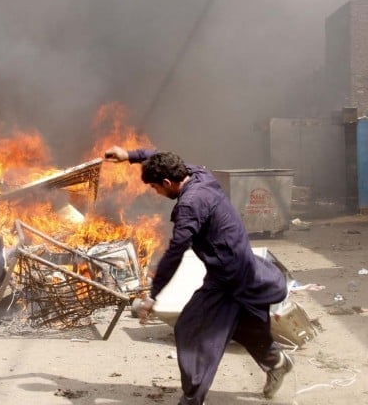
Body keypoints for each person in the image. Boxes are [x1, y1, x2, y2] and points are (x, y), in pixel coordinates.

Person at [104, 146, 293, 405]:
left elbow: (174, 253)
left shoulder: (190, 206)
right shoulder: (199, 175)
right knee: (248, 326)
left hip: (229, 275)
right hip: (245, 266)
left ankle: (193, 399)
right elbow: (163, 156)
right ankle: (277, 362)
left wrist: (153, 295)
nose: (156, 192)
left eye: (155, 187)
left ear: (168, 182)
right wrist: (130, 156)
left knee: (192, 329)